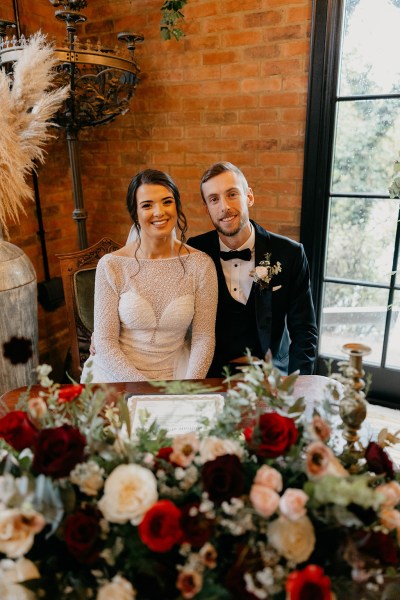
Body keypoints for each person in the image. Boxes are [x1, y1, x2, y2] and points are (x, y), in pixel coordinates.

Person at [81, 169, 217, 383]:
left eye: (167, 202)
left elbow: (203, 338)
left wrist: (189, 388)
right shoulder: (112, 265)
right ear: (134, 213)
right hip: (116, 376)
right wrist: (146, 389)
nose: (159, 212)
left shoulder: (201, 265)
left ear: (177, 206)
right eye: (147, 205)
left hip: (178, 377)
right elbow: (105, 342)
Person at [187, 161, 318, 377]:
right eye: (214, 199)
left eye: (232, 194)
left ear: (249, 197)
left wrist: (297, 387)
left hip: (271, 376)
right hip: (210, 377)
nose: (224, 207)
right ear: (207, 208)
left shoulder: (290, 254)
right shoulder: (194, 251)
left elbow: (304, 331)